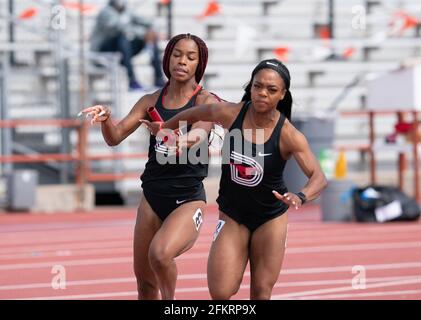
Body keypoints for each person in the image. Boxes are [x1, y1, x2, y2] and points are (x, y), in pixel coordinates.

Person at [141, 58, 328, 300]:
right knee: (220, 292)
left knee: (261, 292)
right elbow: (198, 111)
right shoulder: (231, 114)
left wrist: (300, 196)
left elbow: (319, 177)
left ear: (282, 94)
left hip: (269, 218)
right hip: (233, 214)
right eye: (257, 86)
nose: (262, 93)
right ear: (250, 87)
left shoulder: (289, 134)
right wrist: (167, 127)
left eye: (271, 90)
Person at [80, 33, 221, 300]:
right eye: (177, 54)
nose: (182, 61)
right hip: (152, 197)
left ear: (199, 65)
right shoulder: (150, 101)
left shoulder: (205, 102)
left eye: (191, 57)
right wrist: (107, 118)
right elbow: (115, 137)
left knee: (160, 253)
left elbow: (200, 133)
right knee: (144, 283)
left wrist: (174, 135)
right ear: (167, 59)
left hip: (188, 199)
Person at [90, 0, 165, 90]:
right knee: (122, 38)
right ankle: (132, 81)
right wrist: (144, 33)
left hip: (122, 51)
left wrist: (152, 30)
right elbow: (121, 28)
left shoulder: (126, 11)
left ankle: (159, 79)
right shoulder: (105, 12)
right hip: (103, 50)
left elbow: (144, 21)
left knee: (151, 38)